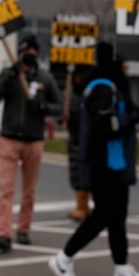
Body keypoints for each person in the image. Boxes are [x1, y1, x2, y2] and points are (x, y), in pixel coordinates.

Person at [48, 42, 139, 276]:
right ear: (114, 62)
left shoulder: (110, 86)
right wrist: (136, 117)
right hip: (104, 163)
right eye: (124, 61)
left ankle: (123, 268)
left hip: (115, 163)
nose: (128, 66)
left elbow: (116, 118)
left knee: (117, 216)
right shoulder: (102, 88)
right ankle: (63, 259)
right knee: (104, 215)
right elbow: (104, 126)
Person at [0, 34, 63, 252]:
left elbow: (58, 107)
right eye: (23, 52)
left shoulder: (45, 78)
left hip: (33, 140)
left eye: (31, 52)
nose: (27, 56)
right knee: (6, 190)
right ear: (19, 54)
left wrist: (43, 107)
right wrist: (6, 78)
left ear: (37, 54)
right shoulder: (9, 74)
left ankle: (23, 229)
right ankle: (3, 233)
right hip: (9, 138)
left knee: (29, 191)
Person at [62, 65, 91, 221]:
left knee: (86, 173)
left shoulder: (90, 94)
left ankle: (84, 205)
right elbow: (62, 114)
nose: (77, 79)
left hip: (87, 138)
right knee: (76, 173)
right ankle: (81, 205)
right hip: (75, 139)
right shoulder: (70, 95)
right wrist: (65, 117)